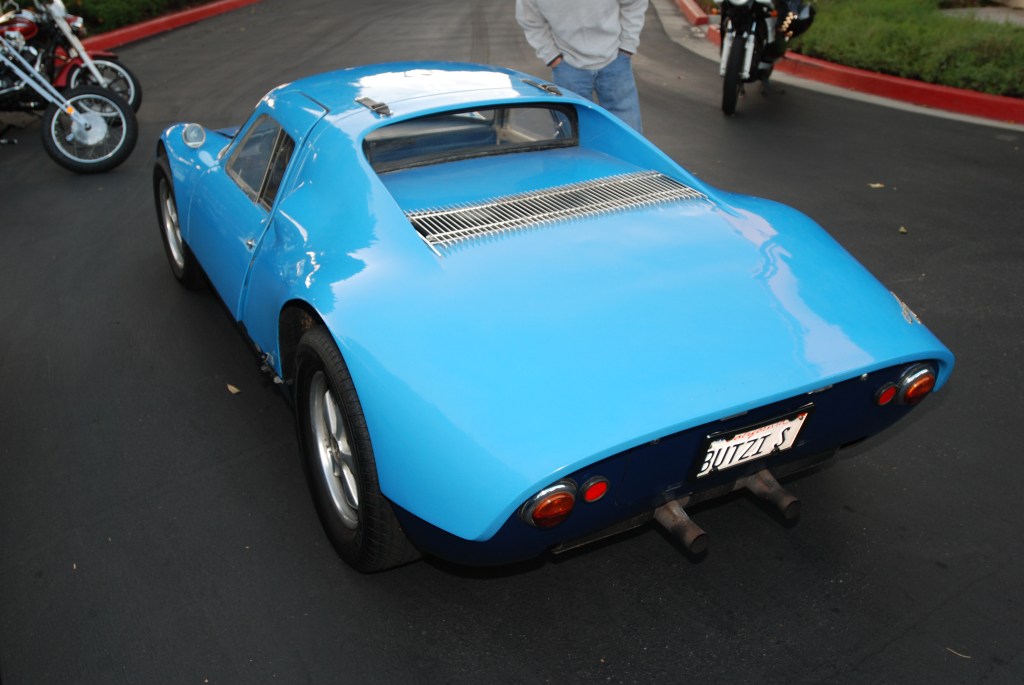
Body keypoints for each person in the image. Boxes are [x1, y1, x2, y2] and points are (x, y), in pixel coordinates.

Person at [515, 0, 649, 133]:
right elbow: (529, 19)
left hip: (615, 59)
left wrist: (627, 46)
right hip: (567, 66)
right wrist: (552, 57)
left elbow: (635, 3)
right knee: (574, 136)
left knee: (629, 133)